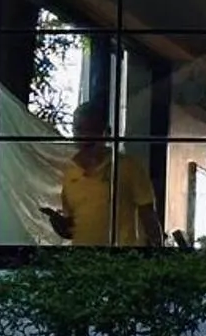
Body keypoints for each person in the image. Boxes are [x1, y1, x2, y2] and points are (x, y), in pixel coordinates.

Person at [45, 101, 159, 246]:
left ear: (107, 132)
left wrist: (158, 256)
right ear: (73, 132)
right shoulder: (70, 174)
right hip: (82, 262)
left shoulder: (128, 167)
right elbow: (71, 230)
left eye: (92, 129)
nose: (85, 136)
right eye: (80, 129)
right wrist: (59, 225)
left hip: (121, 261)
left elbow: (149, 217)